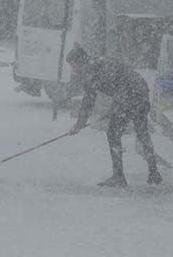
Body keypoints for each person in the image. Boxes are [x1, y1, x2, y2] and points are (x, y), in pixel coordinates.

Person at [66, 45, 162, 187]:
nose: (74, 70)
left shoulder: (90, 71)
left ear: (80, 61)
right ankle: (154, 172)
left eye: (74, 65)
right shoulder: (99, 63)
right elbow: (124, 78)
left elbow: (89, 101)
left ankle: (119, 176)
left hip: (131, 94)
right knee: (142, 132)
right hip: (141, 90)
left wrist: (79, 125)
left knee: (113, 133)